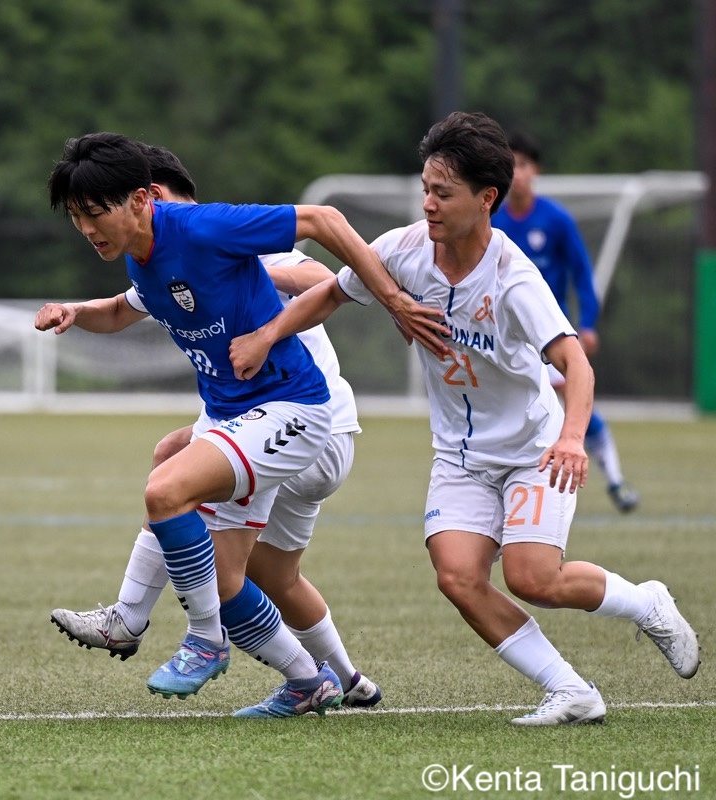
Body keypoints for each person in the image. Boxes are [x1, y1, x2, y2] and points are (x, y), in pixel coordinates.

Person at [229, 111, 700, 726]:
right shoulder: (401, 249)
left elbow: (575, 364)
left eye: (443, 193)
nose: (428, 204)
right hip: (459, 455)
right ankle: (571, 690)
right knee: (457, 576)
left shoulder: (514, 279)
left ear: (486, 199)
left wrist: (572, 438)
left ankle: (645, 602)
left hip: (532, 449)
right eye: (426, 189)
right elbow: (331, 293)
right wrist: (267, 334)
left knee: (534, 579)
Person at [37, 131, 445, 716]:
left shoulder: (206, 228)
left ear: (143, 198)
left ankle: (194, 638)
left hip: (294, 409)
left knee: (166, 488)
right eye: (77, 217)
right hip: (238, 417)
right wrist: (74, 312)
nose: (86, 228)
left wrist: (394, 299)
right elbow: (122, 311)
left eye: (94, 213)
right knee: (230, 581)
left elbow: (324, 220)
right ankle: (312, 681)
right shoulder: (140, 253)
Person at [493, 131, 639, 513]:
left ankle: (616, 480)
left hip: (547, 336)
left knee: (574, 401)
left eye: (523, 164)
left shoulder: (555, 219)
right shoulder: (492, 221)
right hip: (503, 337)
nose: (517, 173)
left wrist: (587, 324)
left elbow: (581, 274)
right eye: (510, 165)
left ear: (536, 170)